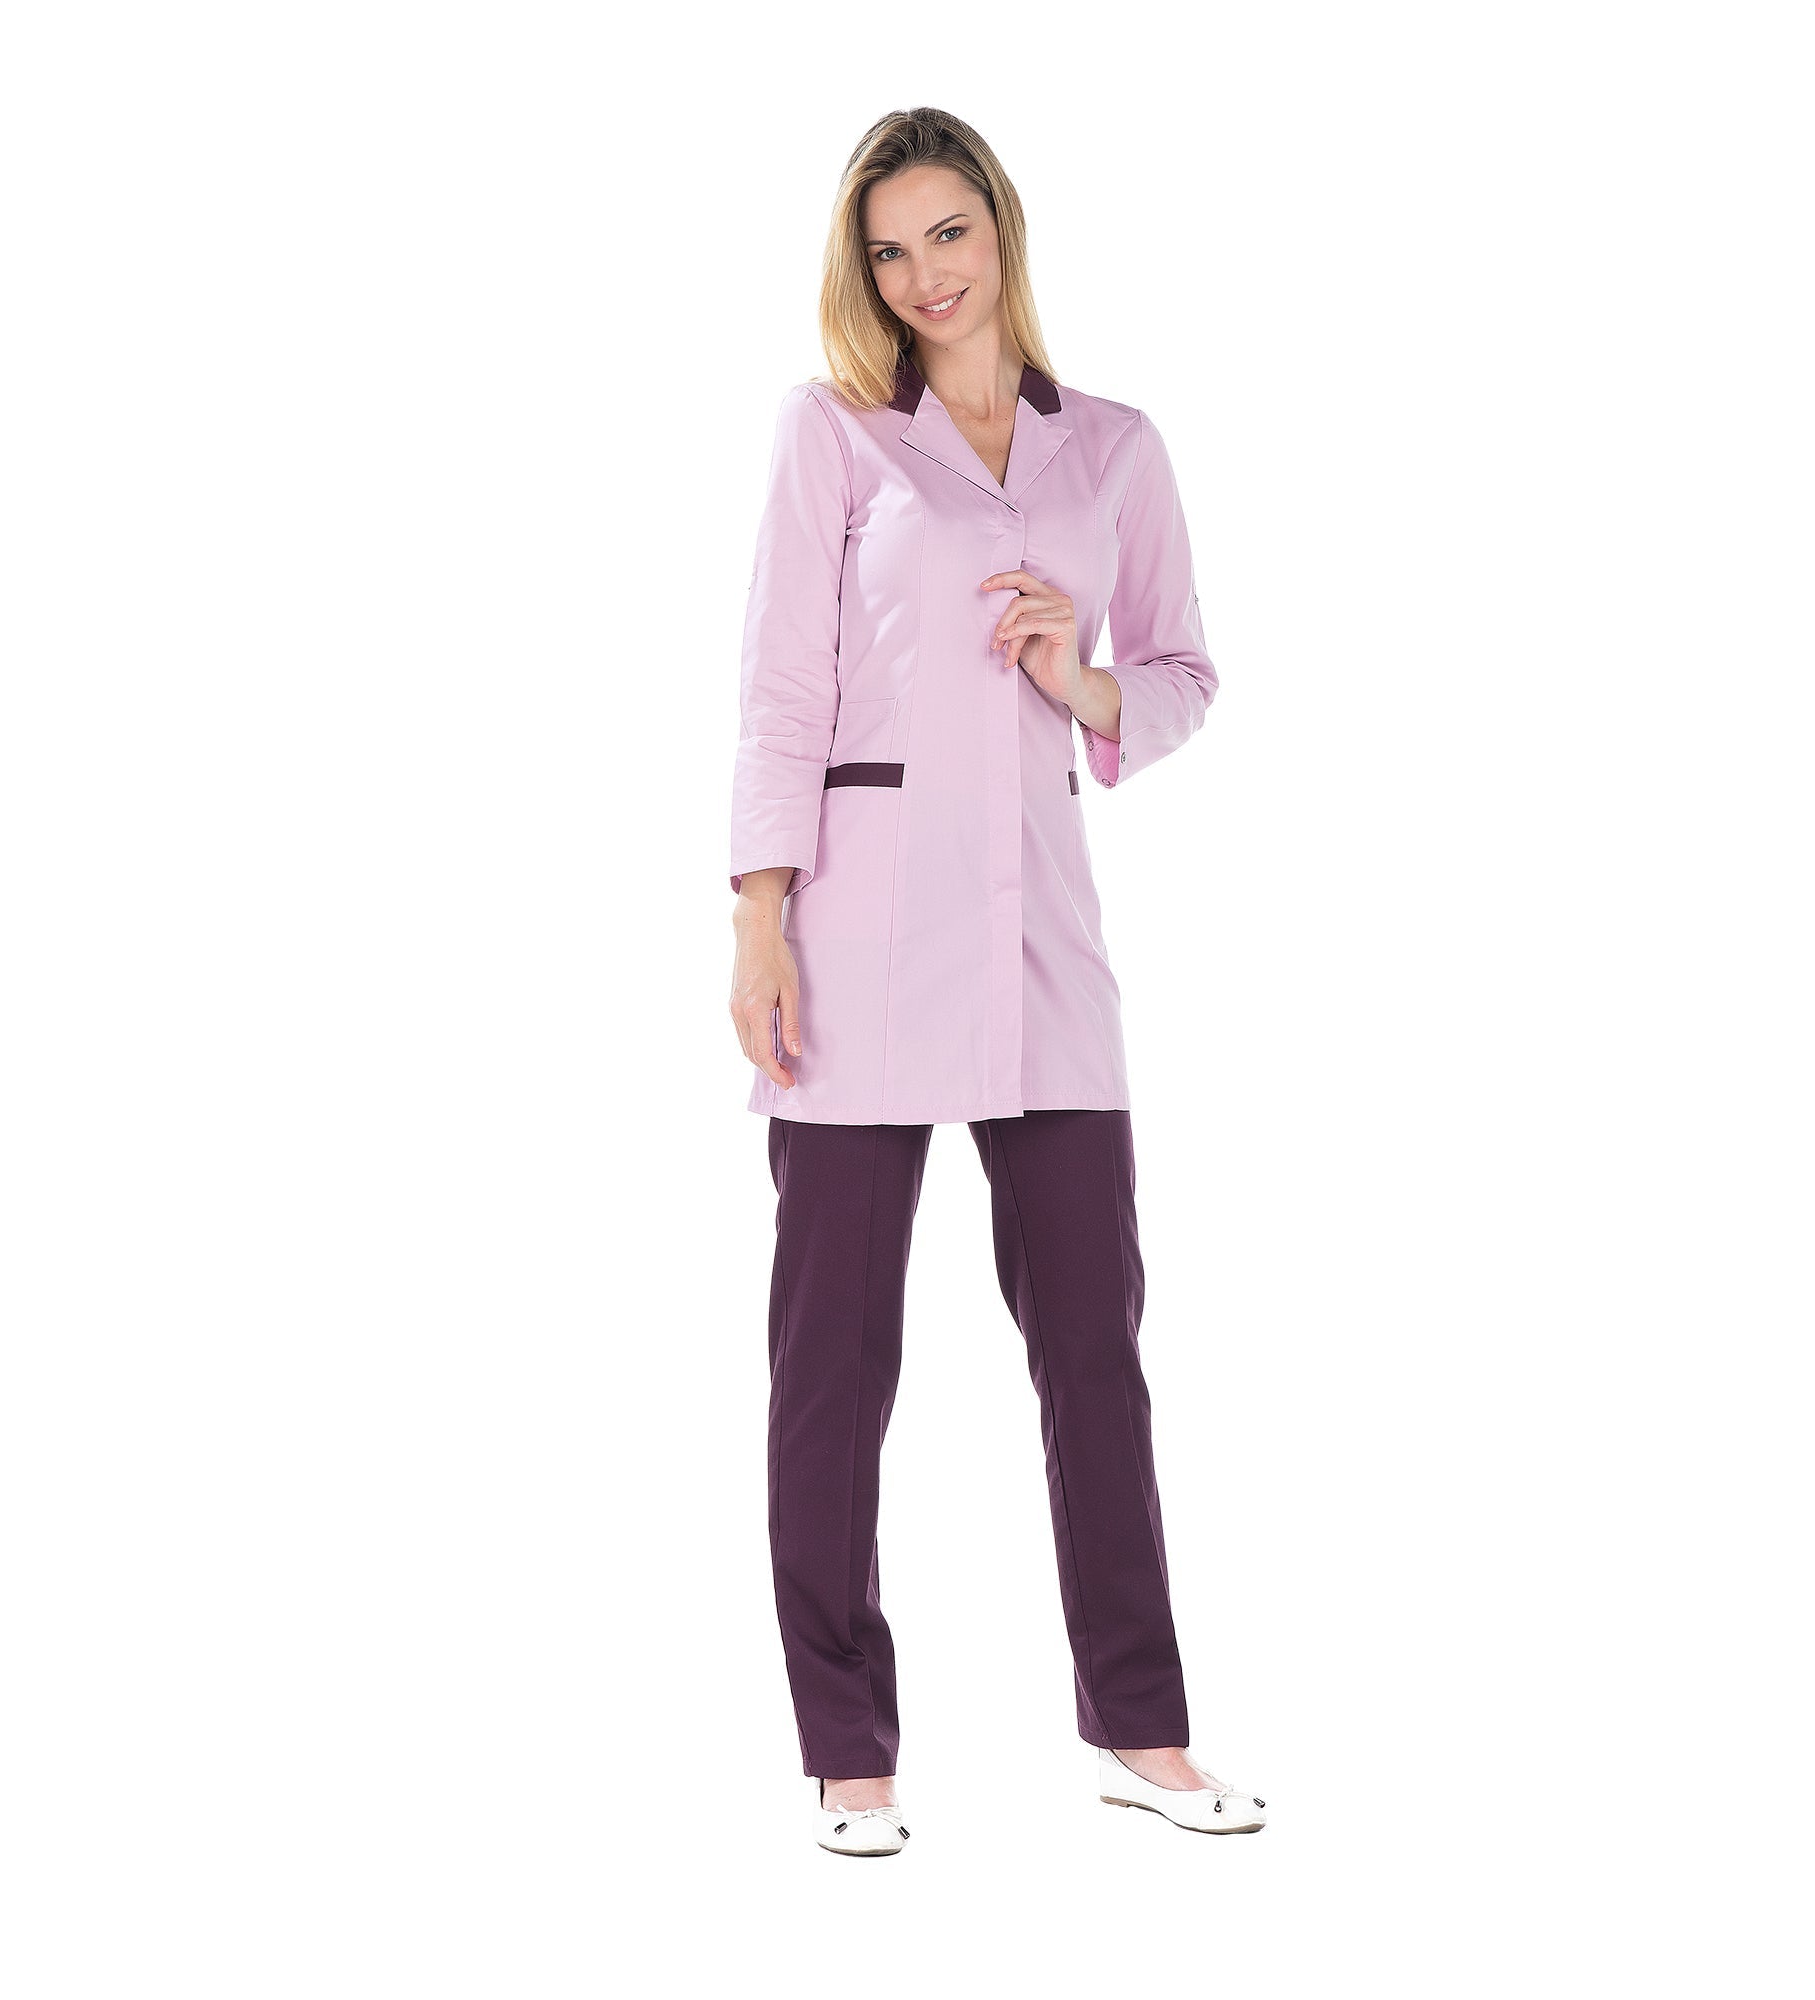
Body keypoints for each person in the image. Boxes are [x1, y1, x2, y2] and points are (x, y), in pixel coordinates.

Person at [727, 107, 1266, 1856]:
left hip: (1045, 944)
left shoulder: (1111, 449)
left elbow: (1181, 672)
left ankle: (1144, 1731)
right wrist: (758, 921)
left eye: (948, 233)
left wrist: (1077, 676)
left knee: (1095, 1351)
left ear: (1002, 230)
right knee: (834, 1365)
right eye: (890, 249)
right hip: (858, 940)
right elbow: (782, 692)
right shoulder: (832, 434)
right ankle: (850, 1754)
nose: (924, 274)